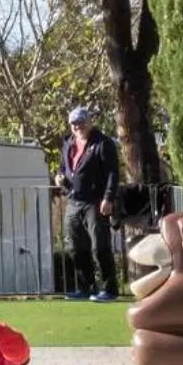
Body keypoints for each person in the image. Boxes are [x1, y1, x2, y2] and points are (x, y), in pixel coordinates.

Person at [56, 106, 121, 302]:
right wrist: (60, 178)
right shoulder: (68, 143)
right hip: (74, 200)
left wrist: (108, 198)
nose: (77, 127)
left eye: (81, 122)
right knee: (75, 247)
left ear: (89, 122)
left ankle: (109, 289)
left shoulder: (103, 143)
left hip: (95, 201)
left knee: (99, 246)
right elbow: (63, 168)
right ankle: (86, 287)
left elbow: (112, 172)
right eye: (74, 123)